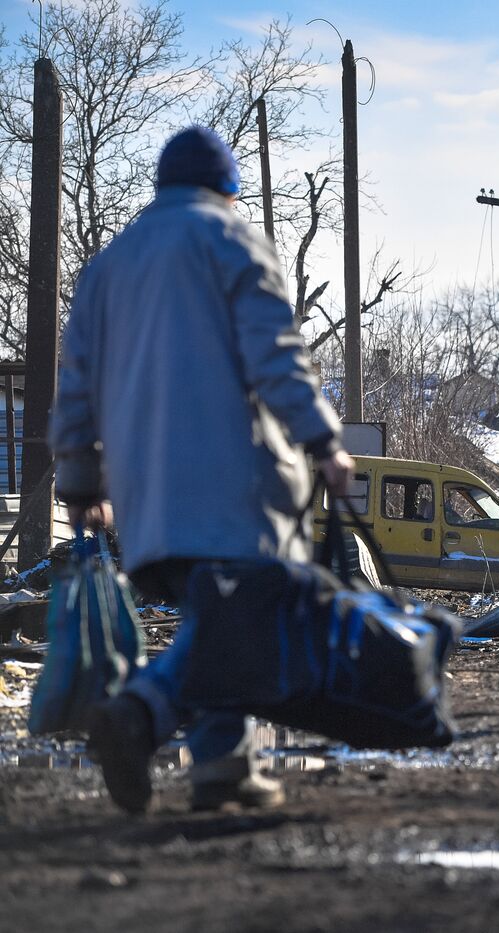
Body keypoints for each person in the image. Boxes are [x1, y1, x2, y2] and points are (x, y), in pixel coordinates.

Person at [51, 127, 353, 814]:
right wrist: (322, 440)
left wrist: (79, 479)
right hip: (233, 487)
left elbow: (74, 386)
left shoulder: (110, 266)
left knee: (217, 620)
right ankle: (141, 713)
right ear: (228, 189)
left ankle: (223, 767)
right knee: (240, 621)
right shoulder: (231, 240)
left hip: (145, 496)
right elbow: (275, 355)